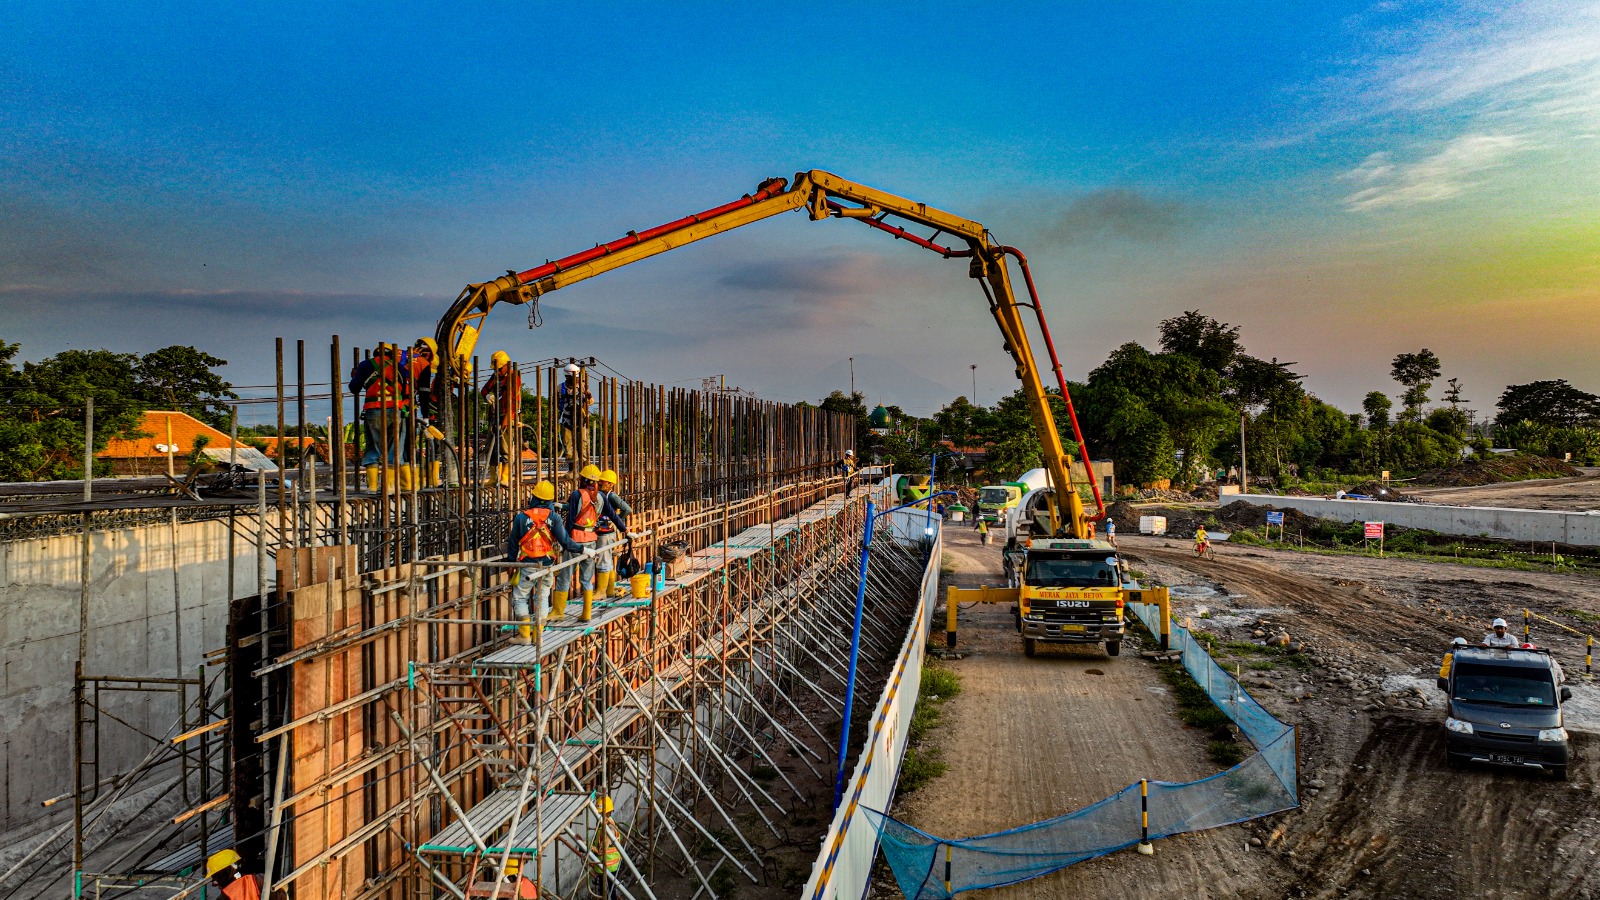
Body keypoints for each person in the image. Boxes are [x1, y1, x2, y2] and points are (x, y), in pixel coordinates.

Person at [506, 480, 586, 644]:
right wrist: (584, 550)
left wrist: (510, 564)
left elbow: (513, 543)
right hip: (547, 565)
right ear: (550, 500)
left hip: (528, 566)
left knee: (520, 598)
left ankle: (524, 635)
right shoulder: (554, 518)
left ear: (533, 497)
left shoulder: (521, 518)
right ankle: (538, 636)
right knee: (542, 599)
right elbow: (565, 541)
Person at [558, 464, 625, 621]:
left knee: (564, 576)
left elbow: (571, 520)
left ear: (582, 479)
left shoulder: (577, 494)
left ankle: (559, 612)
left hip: (576, 539)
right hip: (592, 540)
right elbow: (613, 516)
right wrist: (624, 529)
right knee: (586, 579)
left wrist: (564, 540)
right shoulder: (600, 496)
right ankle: (586, 614)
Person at [348, 344, 413, 492]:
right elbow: (406, 391)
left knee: (373, 447)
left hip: (374, 410)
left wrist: (356, 376)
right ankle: (389, 486)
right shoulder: (400, 368)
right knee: (392, 449)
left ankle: (372, 486)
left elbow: (354, 388)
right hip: (395, 411)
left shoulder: (365, 365)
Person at [481, 351, 522, 487]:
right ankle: (493, 477)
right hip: (495, 416)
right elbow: (484, 390)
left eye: (499, 369)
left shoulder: (513, 378)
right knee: (490, 447)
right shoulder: (496, 376)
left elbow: (512, 400)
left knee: (505, 448)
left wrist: (506, 418)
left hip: (507, 416)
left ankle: (505, 476)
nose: (497, 372)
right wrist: (488, 396)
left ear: (506, 366)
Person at [408, 337, 445, 487]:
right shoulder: (423, 368)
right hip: (422, 414)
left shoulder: (406, 361)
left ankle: (427, 479)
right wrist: (425, 418)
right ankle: (424, 479)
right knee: (427, 447)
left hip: (414, 411)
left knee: (427, 447)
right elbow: (424, 394)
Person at [594, 468, 635, 598]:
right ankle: (609, 590)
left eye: (603, 483)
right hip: (602, 531)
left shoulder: (611, 496)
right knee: (607, 560)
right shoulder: (601, 494)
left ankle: (601, 591)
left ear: (611, 484)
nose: (600, 485)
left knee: (604, 560)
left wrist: (616, 520)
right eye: (599, 482)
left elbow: (627, 509)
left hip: (607, 532)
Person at [589, 795, 623, 900]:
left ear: (608, 813)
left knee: (608, 892)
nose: (598, 816)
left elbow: (601, 851)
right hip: (604, 866)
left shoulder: (610, 830)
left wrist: (587, 845)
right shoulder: (604, 826)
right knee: (605, 891)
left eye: (601, 814)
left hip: (608, 866)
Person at [557, 363, 592, 462]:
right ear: (568, 377)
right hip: (566, 419)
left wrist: (588, 396)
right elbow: (555, 403)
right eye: (575, 377)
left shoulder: (583, 386)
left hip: (580, 419)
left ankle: (584, 468)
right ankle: (572, 469)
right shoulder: (560, 388)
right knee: (568, 446)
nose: (577, 379)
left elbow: (590, 402)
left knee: (582, 444)